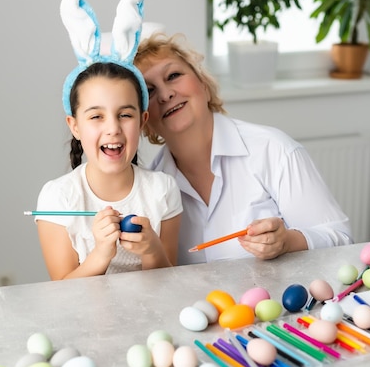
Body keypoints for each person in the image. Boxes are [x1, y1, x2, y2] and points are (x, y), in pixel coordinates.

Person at [134, 33, 353, 264]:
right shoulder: (150, 187)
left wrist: (288, 241)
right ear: (144, 121)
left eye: (174, 75)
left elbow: (342, 240)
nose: (166, 94)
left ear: (204, 84)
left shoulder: (274, 150)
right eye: (149, 91)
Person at [33, 0, 182, 279]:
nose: (112, 128)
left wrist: (152, 251)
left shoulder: (162, 191)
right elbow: (61, 295)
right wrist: (101, 253)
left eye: (125, 115)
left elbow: (169, 286)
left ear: (142, 121)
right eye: (96, 116)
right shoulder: (58, 198)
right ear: (74, 126)